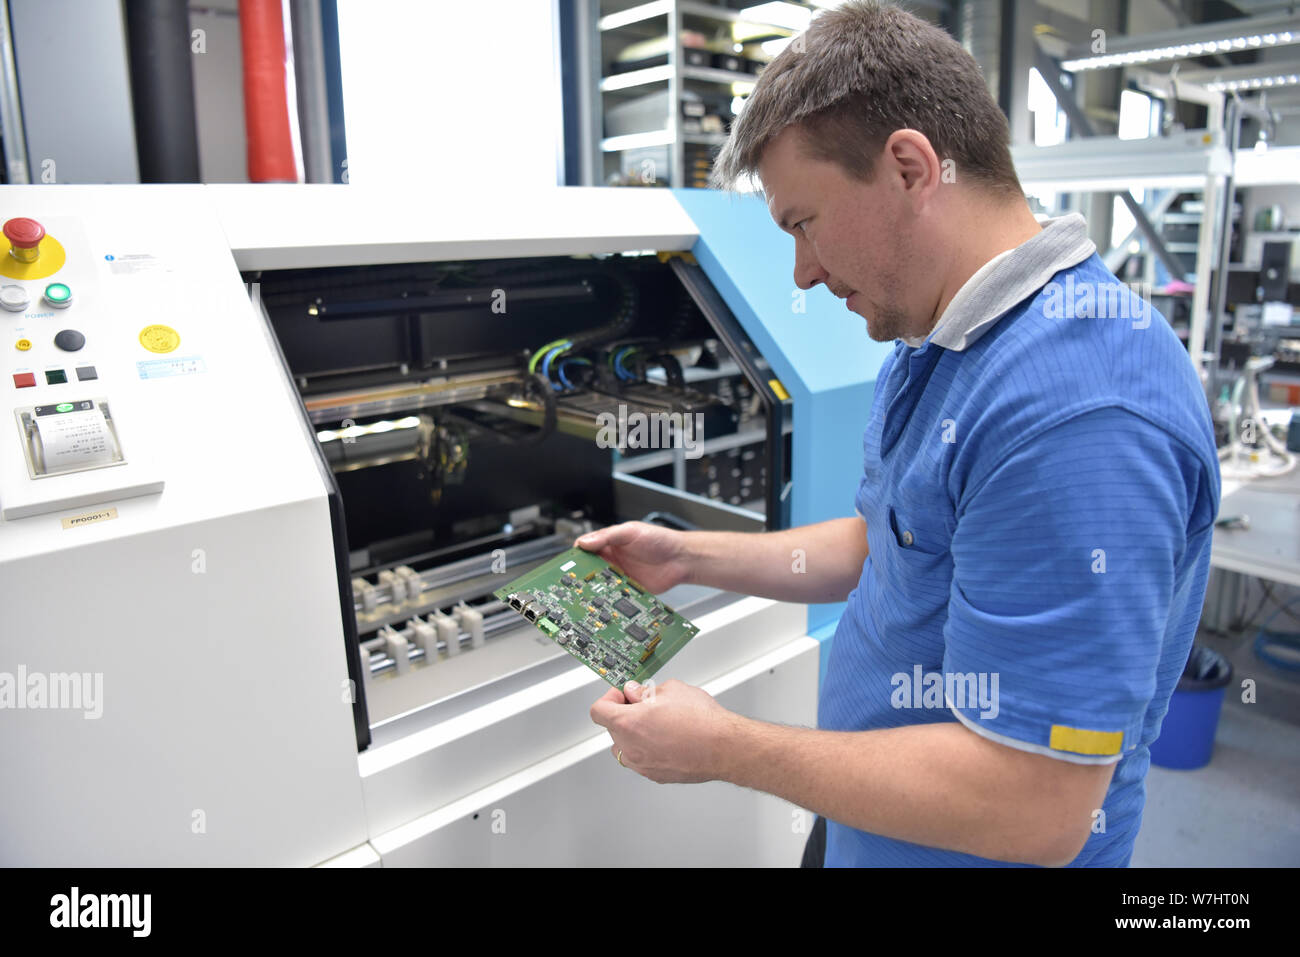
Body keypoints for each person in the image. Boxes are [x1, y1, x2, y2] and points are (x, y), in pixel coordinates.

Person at [581, 0, 1221, 867]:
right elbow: (893, 541)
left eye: (803, 222)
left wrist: (727, 746)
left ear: (912, 167)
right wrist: (691, 557)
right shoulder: (940, 336)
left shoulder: (1079, 411)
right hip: (869, 827)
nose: (802, 270)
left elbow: (1036, 807)